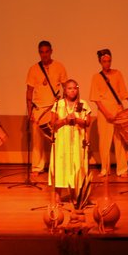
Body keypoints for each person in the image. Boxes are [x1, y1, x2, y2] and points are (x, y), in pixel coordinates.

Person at [89, 48, 128, 178]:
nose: (107, 63)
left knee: (119, 140)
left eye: (109, 61)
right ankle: (105, 168)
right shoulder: (96, 77)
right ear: (100, 61)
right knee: (104, 141)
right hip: (104, 112)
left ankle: (122, 169)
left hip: (117, 110)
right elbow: (96, 99)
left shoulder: (117, 74)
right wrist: (106, 113)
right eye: (104, 61)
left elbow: (123, 92)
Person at [25, 40, 68, 180]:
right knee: (37, 141)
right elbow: (29, 91)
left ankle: (57, 166)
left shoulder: (59, 66)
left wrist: (66, 107)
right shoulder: (33, 69)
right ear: (39, 53)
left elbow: (66, 87)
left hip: (54, 108)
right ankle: (37, 167)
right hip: (38, 109)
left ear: (51, 51)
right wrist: (29, 111)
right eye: (41, 52)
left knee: (56, 139)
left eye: (46, 51)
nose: (44, 55)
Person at [48, 79, 93, 204]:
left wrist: (77, 120)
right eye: (69, 88)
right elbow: (52, 124)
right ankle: (57, 195)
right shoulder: (59, 104)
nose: (72, 90)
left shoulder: (83, 104)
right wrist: (65, 120)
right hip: (62, 140)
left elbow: (87, 122)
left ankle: (75, 194)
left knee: (76, 166)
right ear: (65, 91)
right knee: (60, 165)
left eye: (75, 88)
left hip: (77, 141)